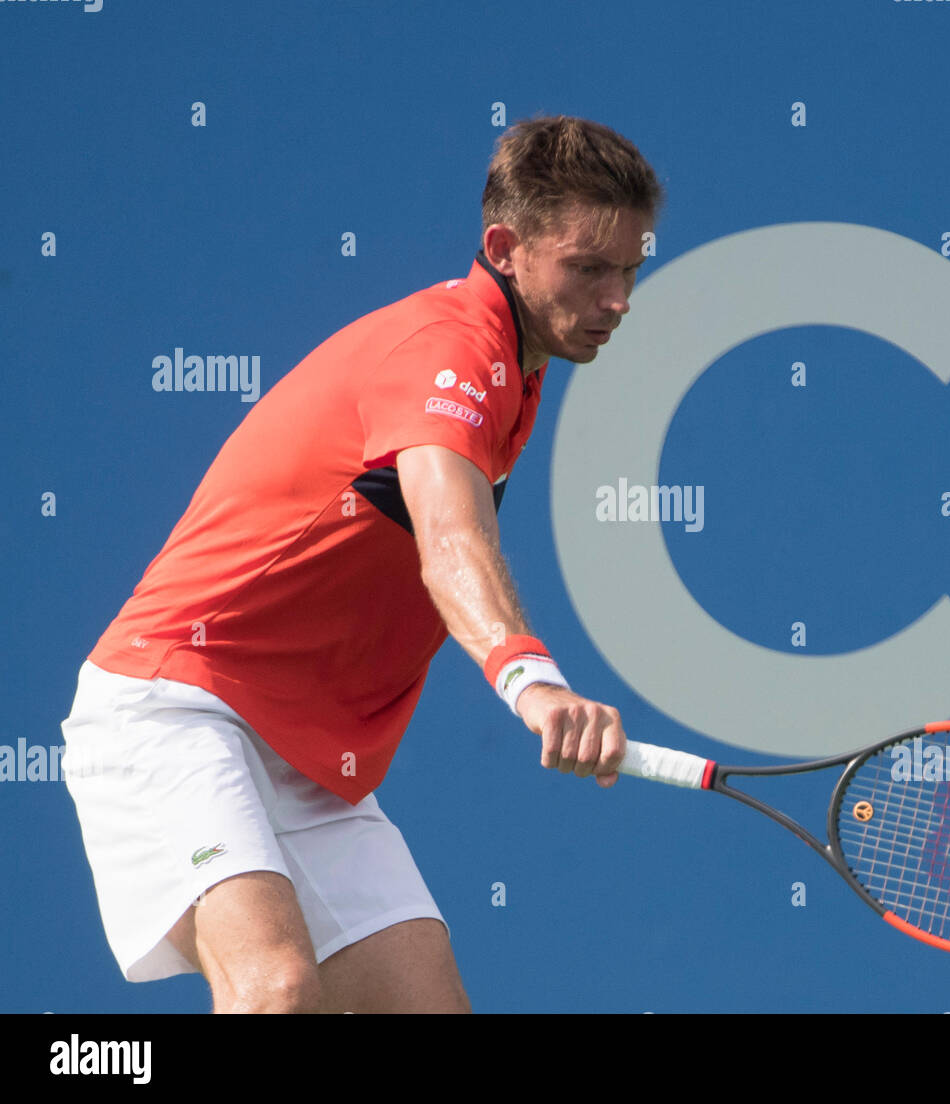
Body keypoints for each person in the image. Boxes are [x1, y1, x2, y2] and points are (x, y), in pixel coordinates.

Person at [59, 115, 663, 1013]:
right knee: (275, 989)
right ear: (505, 247)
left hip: (304, 755)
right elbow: (450, 540)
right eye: (588, 268)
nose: (619, 298)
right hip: (180, 703)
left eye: (630, 267)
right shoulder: (451, 349)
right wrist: (532, 682)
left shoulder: (518, 371)